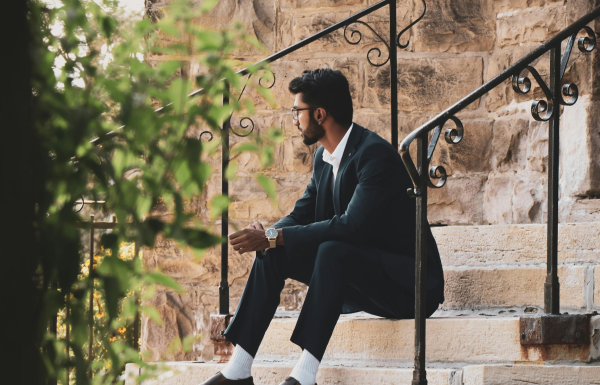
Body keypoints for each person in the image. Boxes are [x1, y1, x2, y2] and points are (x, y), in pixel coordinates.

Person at [201, 68, 445, 385]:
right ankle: (239, 370)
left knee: (331, 249)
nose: (293, 120)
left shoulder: (375, 155)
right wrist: (267, 237)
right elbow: (302, 214)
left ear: (319, 114)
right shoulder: (323, 158)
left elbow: (350, 227)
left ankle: (304, 375)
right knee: (272, 251)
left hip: (407, 287)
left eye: (297, 112)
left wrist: (272, 236)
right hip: (362, 278)